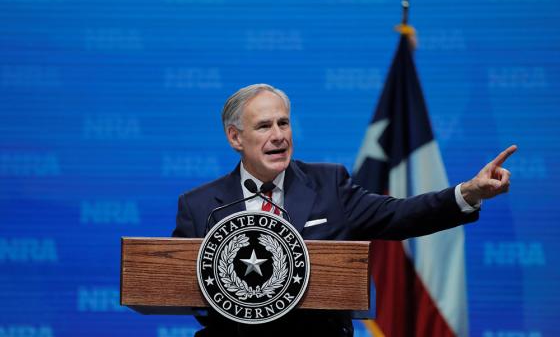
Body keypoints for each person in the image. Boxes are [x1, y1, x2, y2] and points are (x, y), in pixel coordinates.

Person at [173, 83, 516, 337]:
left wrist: (467, 192)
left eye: (284, 123)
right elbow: (175, 286)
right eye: (264, 126)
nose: (279, 136)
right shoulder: (201, 205)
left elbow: (400, 214)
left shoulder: (328, 185)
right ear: (235, 138)